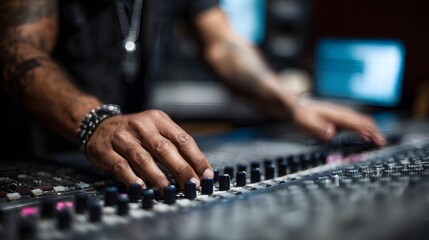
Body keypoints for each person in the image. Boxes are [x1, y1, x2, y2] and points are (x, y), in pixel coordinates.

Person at [0, 0, 385, 191]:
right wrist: (94, 122)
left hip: (126, 166)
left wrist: (295, 104)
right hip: (36, 156)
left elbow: (222, 46)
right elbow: (16, 47)